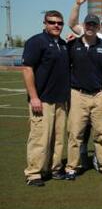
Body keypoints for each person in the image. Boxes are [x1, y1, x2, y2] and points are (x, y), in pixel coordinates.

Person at [65, 13, 102, 179]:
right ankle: (72, 167)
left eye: (94, 25)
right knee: (75, 133)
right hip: (78, 94)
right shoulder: (72, 44)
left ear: (98, 27)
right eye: (88, 24)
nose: (90, 27)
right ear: (83, 25)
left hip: (100, 94)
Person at [22, 10, 70, 186]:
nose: (56, 25)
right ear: (45, 23)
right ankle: (34, 173)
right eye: (52, 22)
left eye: (59, 23)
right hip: (42, 100)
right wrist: (34, 97)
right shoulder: (36, 42)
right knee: (40, 138)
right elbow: (27, 69)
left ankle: (55, 168)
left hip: (60, 100)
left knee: (58, 139)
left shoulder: (63, 44)